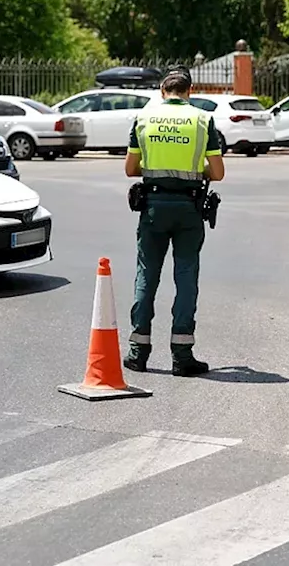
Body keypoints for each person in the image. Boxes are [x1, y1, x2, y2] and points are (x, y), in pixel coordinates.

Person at [123, 66, 225, 377]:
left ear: (162, 91)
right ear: (189, 92)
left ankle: (138, 352)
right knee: (186, 278)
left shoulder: (143, 118)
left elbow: (130, 168)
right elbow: (218, 173)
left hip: (153, 206)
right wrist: (197, 172)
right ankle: (182, 355)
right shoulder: (202, 119)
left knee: (146, 276)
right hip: (188, 209)